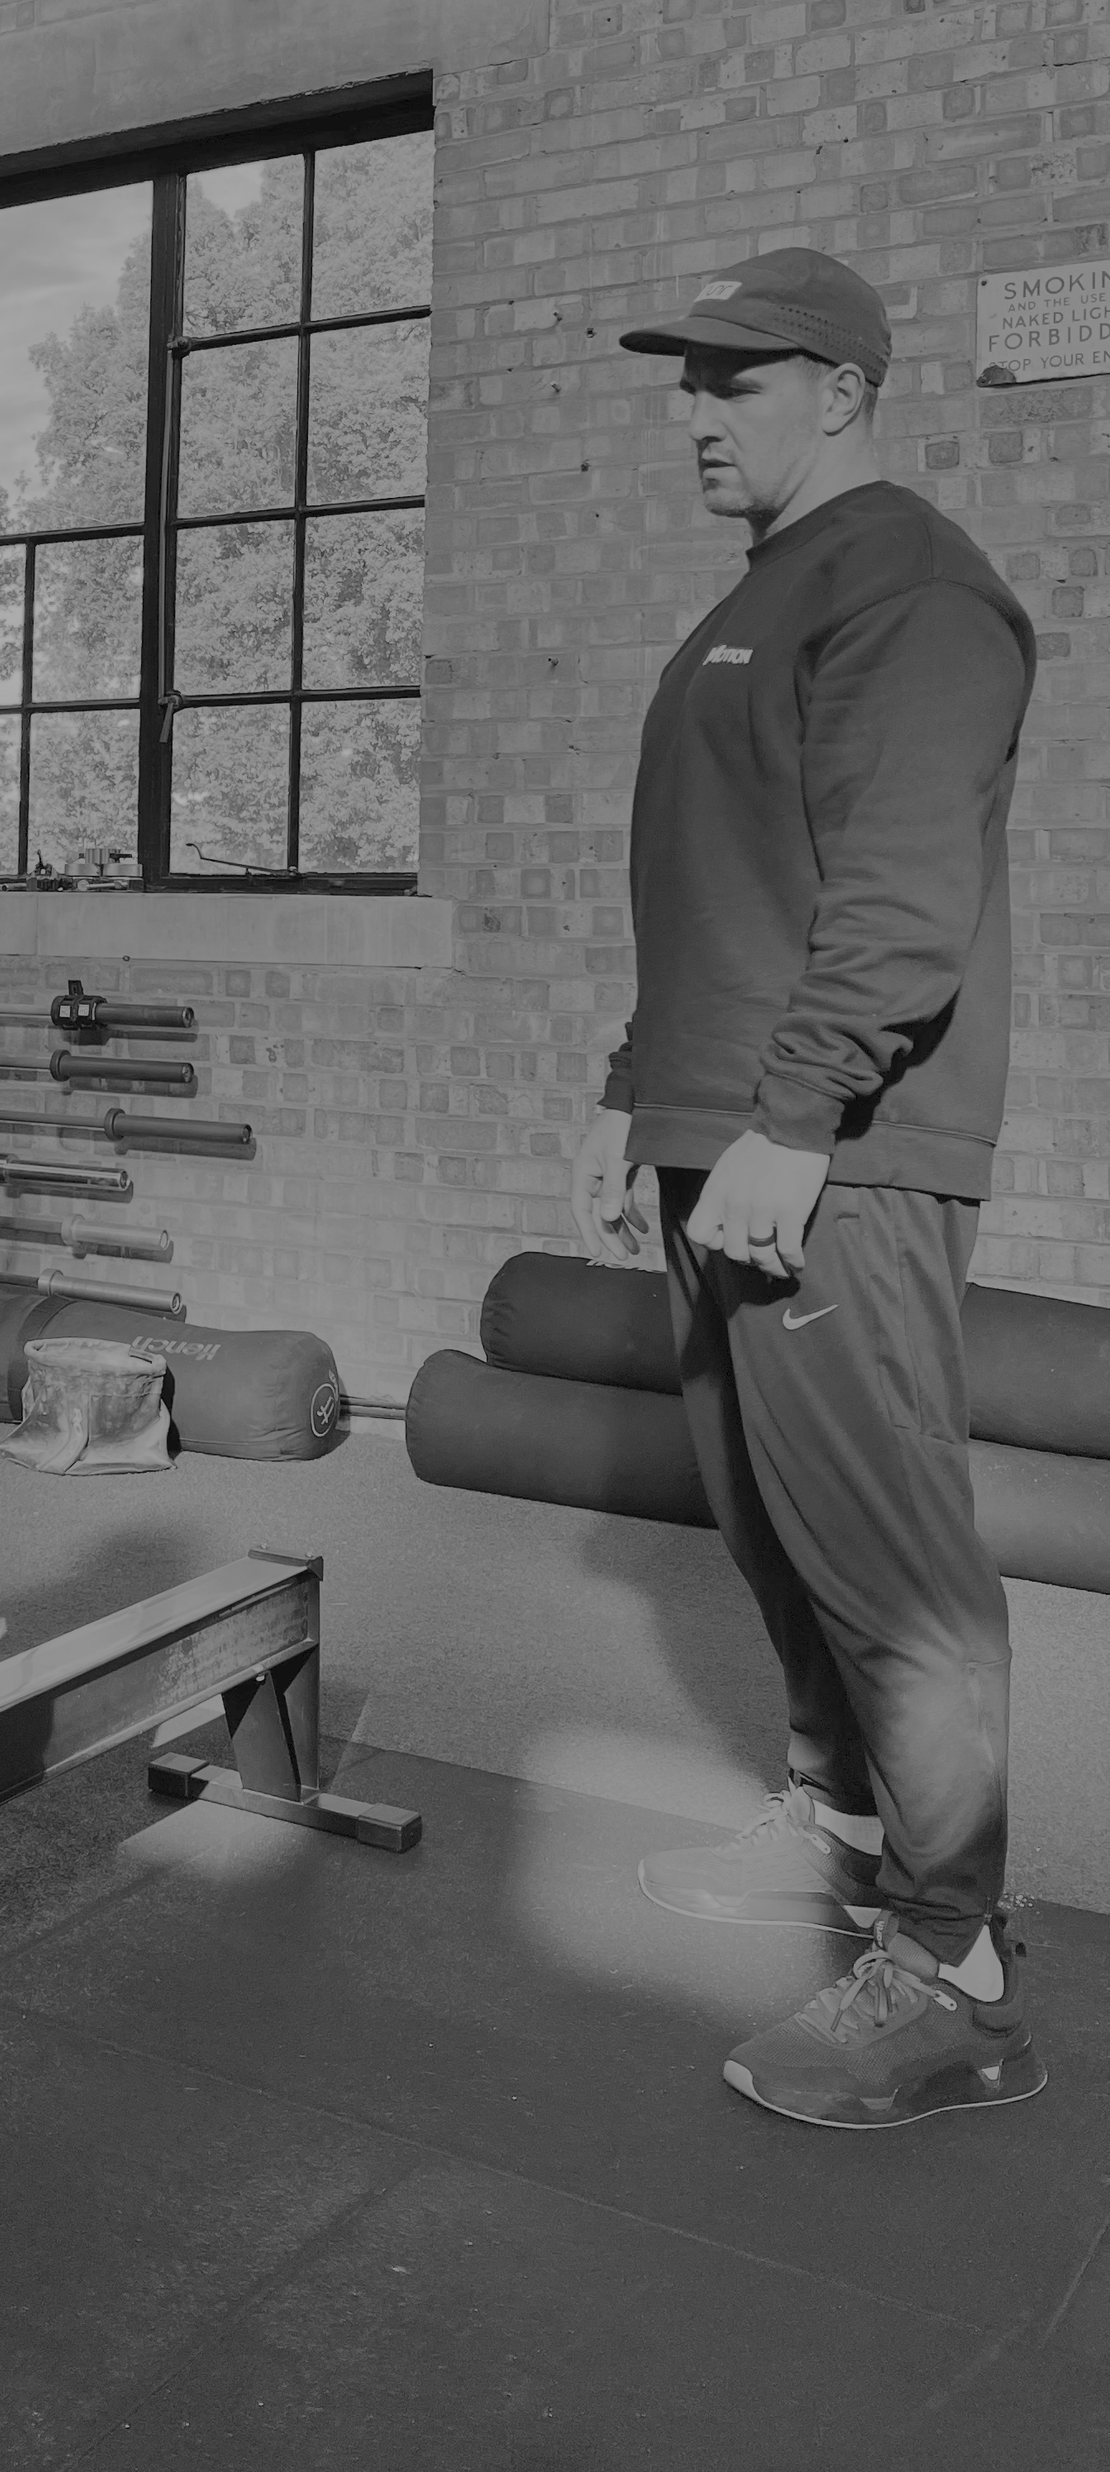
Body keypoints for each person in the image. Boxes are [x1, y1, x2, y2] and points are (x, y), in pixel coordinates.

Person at [570, 244, 1041, 2128]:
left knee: (891, 1557)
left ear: (844, 386)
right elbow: (720, 887)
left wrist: (794, 1113)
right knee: (768, 1520)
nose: (696, 412)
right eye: (688, 381)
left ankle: (953, 1959)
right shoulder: (762, 594)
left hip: (830, 1149)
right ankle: (840, 1818)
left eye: (739, 382)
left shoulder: (911, 583)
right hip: (729, 1126)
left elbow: (901, 893)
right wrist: (638, 1093)